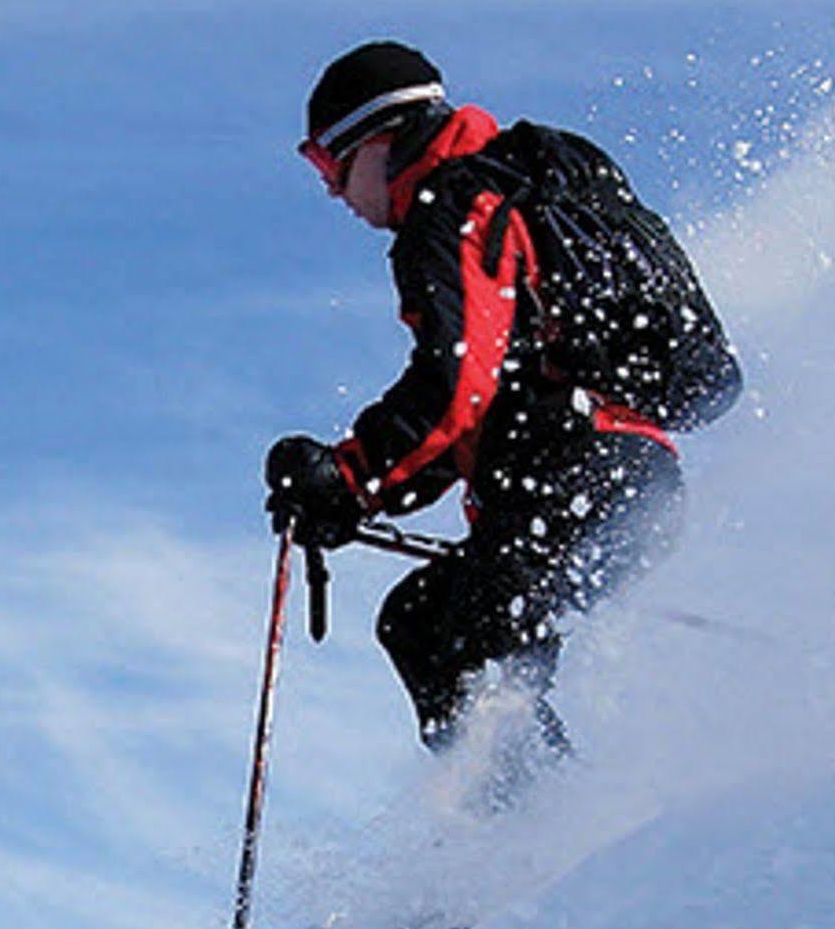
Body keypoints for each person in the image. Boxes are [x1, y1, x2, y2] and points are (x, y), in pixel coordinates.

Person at [264, 39, 722, 766]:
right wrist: (350, 496)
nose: (332, 193)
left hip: (577, 480)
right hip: (624, 480)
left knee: (462, 643)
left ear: (379, 138)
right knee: (420, 621)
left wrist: (348, 475)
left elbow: (454, 386)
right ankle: (543, 826)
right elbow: (483, 404)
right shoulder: (517, 189)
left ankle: (537, 839)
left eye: (329, 164)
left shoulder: (454, 205)